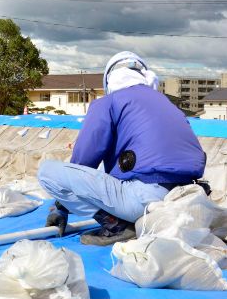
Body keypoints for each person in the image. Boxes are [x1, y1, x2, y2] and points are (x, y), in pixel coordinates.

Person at [37, 51, 208, 246]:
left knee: (47, 172)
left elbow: (83, 161)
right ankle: (125, 219)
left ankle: (116, 226)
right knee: (106, 173)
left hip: (147, 198)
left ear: (109, 81)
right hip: (187, 196)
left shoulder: (109, 102)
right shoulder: (166, 103)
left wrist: (61, 206)